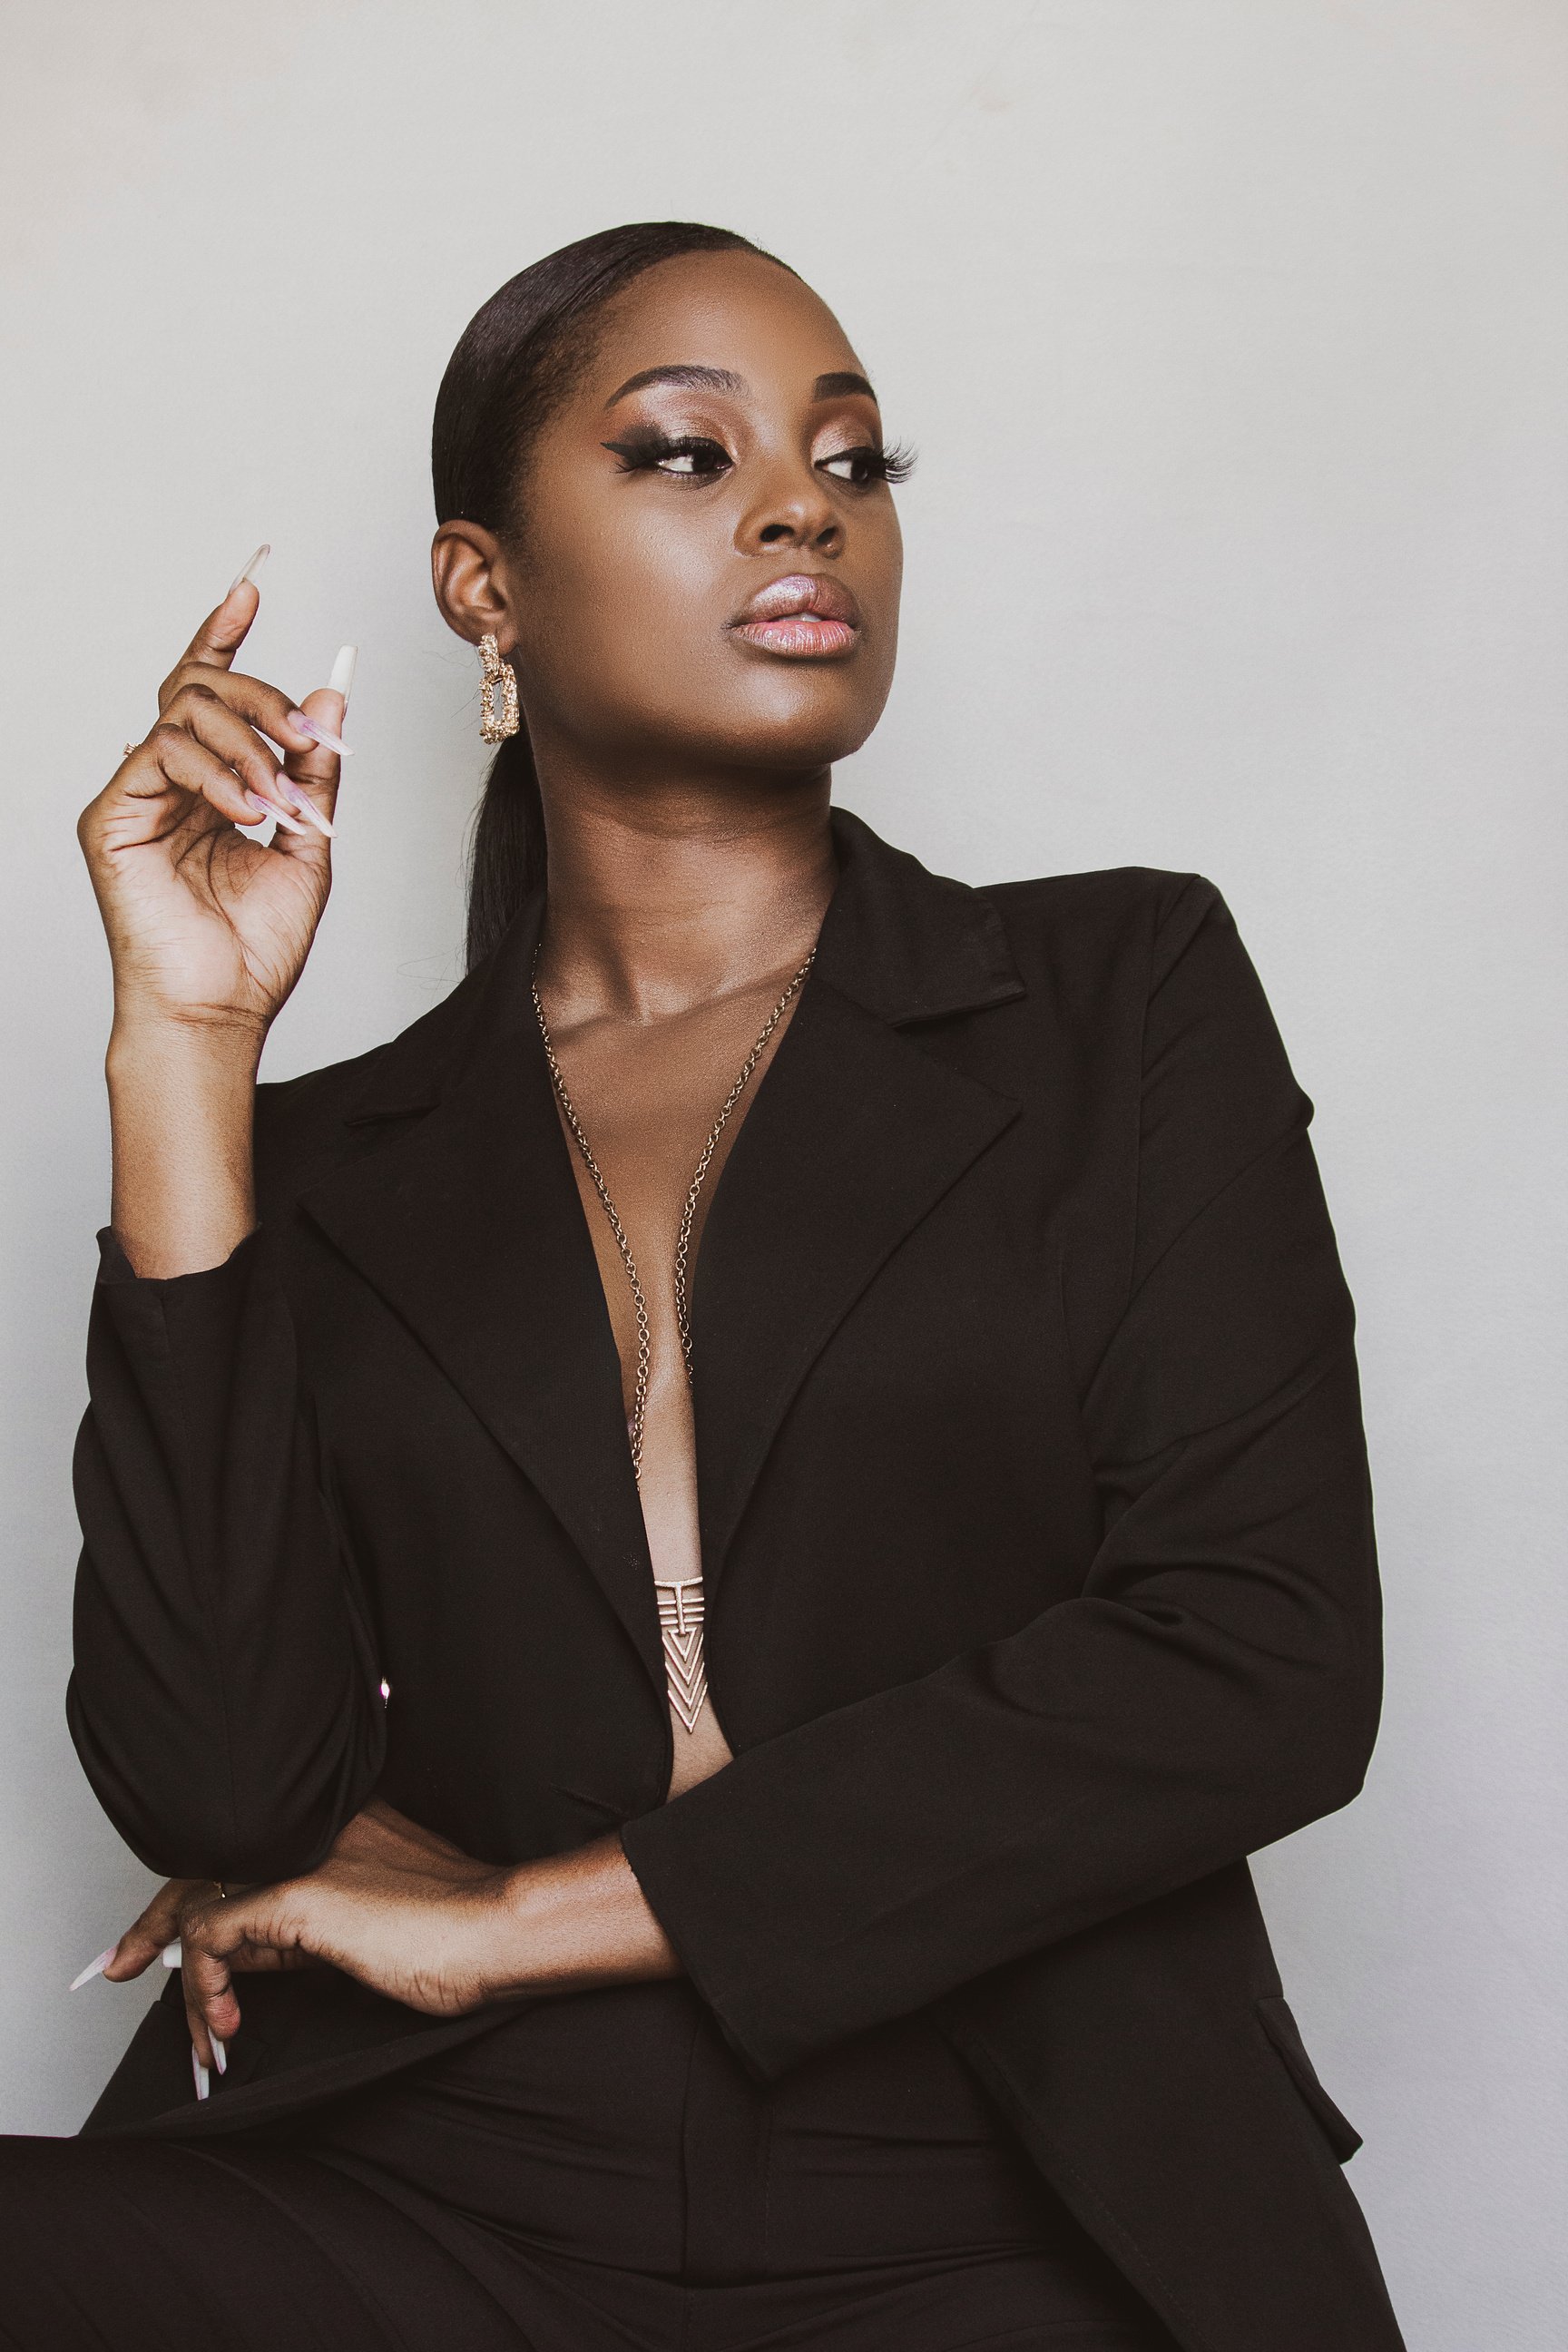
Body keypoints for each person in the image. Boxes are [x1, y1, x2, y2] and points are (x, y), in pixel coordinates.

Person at [1, 221, 1406, 2351]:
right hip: (431, 2185)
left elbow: (1258, 1656)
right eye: (682, 451)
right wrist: (186, 1057)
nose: (799, 503)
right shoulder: (342, 1166)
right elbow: (219, 1788)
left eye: (855, 457)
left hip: (994, 2180)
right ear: (484, 587)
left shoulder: (1120, 999)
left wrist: (510, 1921)